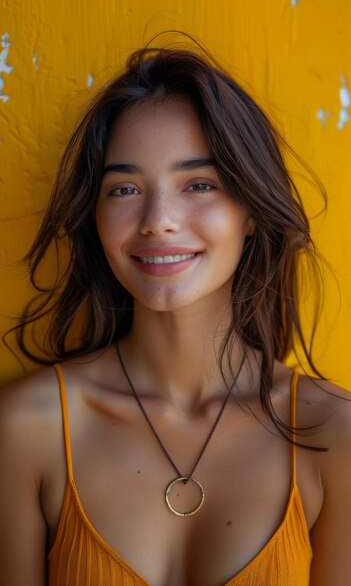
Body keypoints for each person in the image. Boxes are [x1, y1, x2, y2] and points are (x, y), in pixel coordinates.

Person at [0, 43, 351, 586]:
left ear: (252, 212)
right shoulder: (27, 429)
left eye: (199, 184)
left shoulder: (335, 435)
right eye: (124, 188)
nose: (158, 220)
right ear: (95, 218)